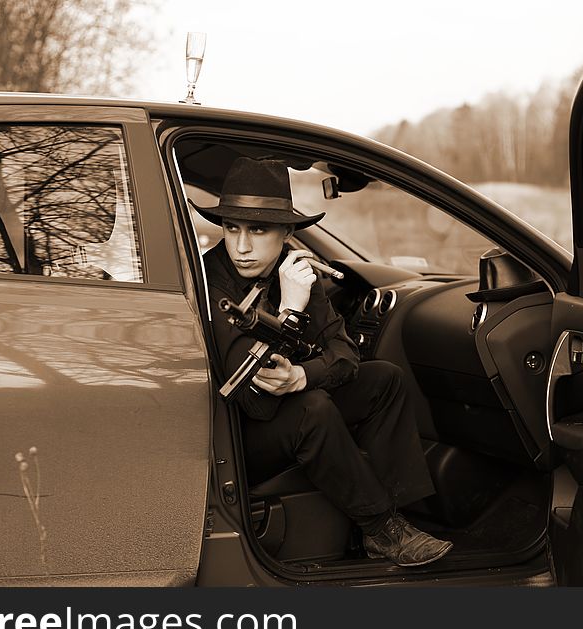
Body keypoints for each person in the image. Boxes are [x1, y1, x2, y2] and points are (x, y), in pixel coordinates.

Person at [192, 156, 452, 567]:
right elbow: (256, 399)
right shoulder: (209, 282)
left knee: (384, 380)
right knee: (312, 409)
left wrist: (302, 374)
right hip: (234, 435)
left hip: (284, 405)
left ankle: (401, 517)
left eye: (257, 230)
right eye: (231, 228)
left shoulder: (294, 271)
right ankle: (382, 529)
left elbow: (346, 352)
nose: (241, 246)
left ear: (287, 232)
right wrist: (291, 312)